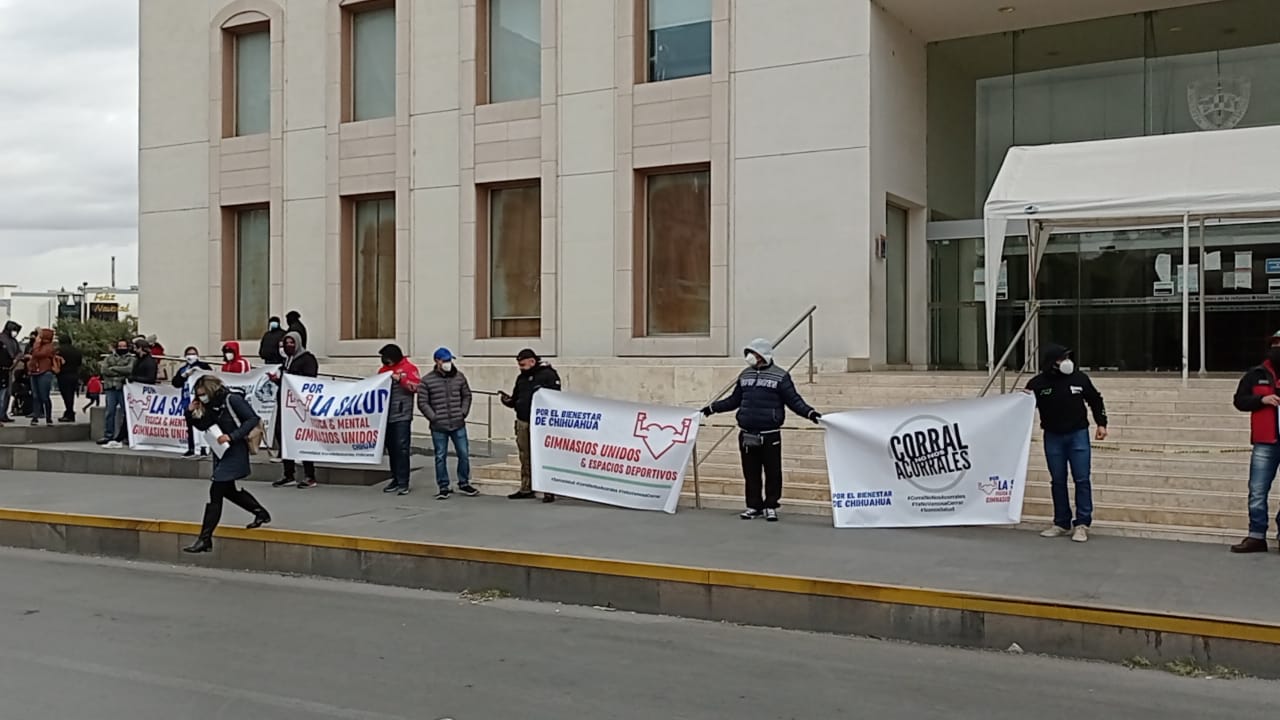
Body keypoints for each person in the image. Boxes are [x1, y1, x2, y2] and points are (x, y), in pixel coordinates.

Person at [702, 339, 821, 522]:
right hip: (747, 433)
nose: (750, 356)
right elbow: (734, 400)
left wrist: (810, 414)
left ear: (762, 355)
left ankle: (771, 505)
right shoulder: (745, 375)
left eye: (753, 353)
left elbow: (794, 401)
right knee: (751, 473)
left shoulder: (780, 376)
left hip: (770, 434)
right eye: (749, 352)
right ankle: (753, 506)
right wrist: (712, 408)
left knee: (773, 472)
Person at [1026, 343, 1107, 544]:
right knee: (1057, 480)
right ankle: (1061, 522)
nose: (1066, 362)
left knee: (1082, 478)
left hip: (1078, 434)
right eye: (1062, 358)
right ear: (1052, 362)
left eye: (1068, 358)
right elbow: (1021, 406)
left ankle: (1082, 523)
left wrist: (1101, 423)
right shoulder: (1037, 384)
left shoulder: (1079, 378)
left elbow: (1095, 399)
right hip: (1052, 436)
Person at [181, 374, 271, 553]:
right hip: (222, 451)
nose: (202, 398)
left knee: (216, 490)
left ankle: (205, 539)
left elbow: (252, 419)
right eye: (199, 395)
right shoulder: (212, 405)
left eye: (203, 394)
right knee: (227, 490)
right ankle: (260, 512)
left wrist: (232, 436)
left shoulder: (232, 399)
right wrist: (190, 412)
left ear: (211, 390)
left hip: (235, 450)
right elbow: (203, 425)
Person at [1230, 331, 1280, 554]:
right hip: (1265, 441)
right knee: (1258, 490)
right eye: (1275, 345)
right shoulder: (1255, 374)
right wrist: (1262, 400)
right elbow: (1239, 400)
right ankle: (1256, 536)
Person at [500, 348, 561, 502]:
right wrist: (508, 401)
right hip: (523, 420)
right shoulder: (521, 378)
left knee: (544, 455)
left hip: (541, 423)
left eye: (523, 364)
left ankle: (548, 489)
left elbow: (556, 397)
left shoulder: (548, 375)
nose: (520, 368)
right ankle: (526, 487)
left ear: (532, 361)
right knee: (525, 455)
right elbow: (516, 398)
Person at [417, 347, 478, 500]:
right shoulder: (427, 380)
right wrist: (433, 417)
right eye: (445, 360)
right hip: (439, 425)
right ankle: (443, 486)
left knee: (463, 454)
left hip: (458, 422)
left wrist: (463, 412)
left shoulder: (459, 377)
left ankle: (464, 482)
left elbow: (467, 395)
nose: (448, 363)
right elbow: (422, 402)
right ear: (437, 361)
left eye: (449, 360)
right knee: (440, 456)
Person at [271, 331, 319, 489]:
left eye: (291, 343)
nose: (288, 346)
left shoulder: (307, 359)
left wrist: (289, 377)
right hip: (286, 404)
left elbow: (309, 379)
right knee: (283, 436)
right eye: (286, 343)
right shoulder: (287, 360)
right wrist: (278, 380)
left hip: (300, 406)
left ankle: (310, 475)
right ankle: (288, 473)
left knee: (303, 438)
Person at [377, 344, 421, 496]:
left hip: (402, 415)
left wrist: (401, 379)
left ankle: (403, 481)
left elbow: (416, 387)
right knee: (392, 449)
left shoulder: (409, 368)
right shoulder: (383, 370)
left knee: (402, 448)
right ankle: (395, 478)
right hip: (386, 416)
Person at [107, 339, 159, 448]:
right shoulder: (139, 360)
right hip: (137, 393)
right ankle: (121, 437)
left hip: (143, 393)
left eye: (136, 348)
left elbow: (150, 379)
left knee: (132, 415)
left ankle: (121, 437)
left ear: (141, 348)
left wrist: (134, 379)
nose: (134, 350)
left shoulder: (149, 362)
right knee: (130, 415)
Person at [173, 346, 214, 458]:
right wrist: (183, 376)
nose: (191, 356)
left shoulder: (203, 366)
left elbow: (210, 376)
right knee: (190, 424)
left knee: (203, 424)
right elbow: (176, 383)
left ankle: (204, 448)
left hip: (200, 400)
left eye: (193, 354)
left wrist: (199, 370)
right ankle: (191, 448)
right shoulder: (183, 369)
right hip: (187, 401)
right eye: (189, 354)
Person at [98, 339, 135, 446]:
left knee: (126, 413)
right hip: (110, 388)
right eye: (120, 346)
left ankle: (126, 436)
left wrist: (113, 368)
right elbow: (104, 370)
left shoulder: (131, 358)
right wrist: (120, 371)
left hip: (123, 388)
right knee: (110, 412)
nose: (122, 348)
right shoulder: (109, 358)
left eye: (124, 346)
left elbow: (129, 370)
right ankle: (108, 435)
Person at [26, 328, 57, 426]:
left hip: (44, 372)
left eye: (40, 335)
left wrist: (36, 343)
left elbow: (37, 354)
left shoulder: (49, 347)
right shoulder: (38, 346)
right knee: (35, 396)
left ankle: (48, 418)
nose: (38, 337)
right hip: (34, 372)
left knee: (44, 396)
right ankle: (35, 416)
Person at [55, 334, 83, 423]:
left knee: (66, 395)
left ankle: (69, 412)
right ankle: (69, 412)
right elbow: (79, 363)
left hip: (63, 375)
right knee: (71, 394)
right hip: (74, 374)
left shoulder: (59, 350)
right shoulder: (76, 351)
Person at [0, 320, 21, 423]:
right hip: (2, 369)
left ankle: (3, 414)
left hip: (9, 370)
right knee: (2, 394)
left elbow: (19, 352)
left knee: (7, 394)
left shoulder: (13, 341)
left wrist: (16, 359)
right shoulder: (1, 339)